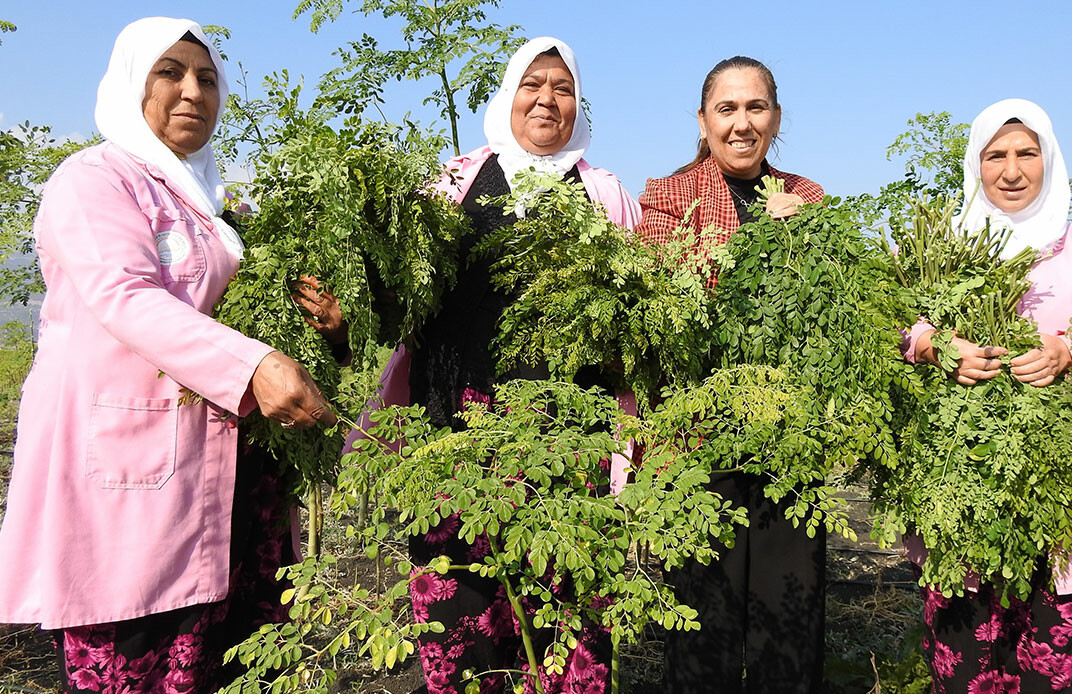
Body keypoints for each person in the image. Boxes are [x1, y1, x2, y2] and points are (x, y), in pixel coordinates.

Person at [0, 17, 341, 693]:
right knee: (136, 655)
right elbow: (124, 295)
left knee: (236, 664)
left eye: (207, 79)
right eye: (170, 73)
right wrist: (255, 364)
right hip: (132, 471)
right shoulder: (96, 180)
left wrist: (327, 328)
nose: (193, 92)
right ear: (131, 83)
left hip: (237, 479)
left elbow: (260, 317)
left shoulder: (219, 209)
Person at [362, 36, 638, 694]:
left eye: (563, 88)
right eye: (533, 85)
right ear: (508, 95)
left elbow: (633, 329)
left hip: (569, 458)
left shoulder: (604, 195)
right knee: (462, 637)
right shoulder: (450, 185)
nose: (548, 99)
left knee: (568, 631)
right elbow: (398, 298)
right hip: (450, 449)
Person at [903, 98, 1072, 693]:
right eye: (996, 155)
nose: (1012, 171)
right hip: (962, 493)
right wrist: (934, 343)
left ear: (1049, 160)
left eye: (1026, 153)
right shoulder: (944, 248)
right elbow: (894, 327)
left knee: (1064, 671)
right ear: (977, 165)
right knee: (968, 673)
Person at [634, 56, 826, 694]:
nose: (742, 123)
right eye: (727, 109)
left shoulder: (807, 199)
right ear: (702, 120)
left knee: (787, 629)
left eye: (756, 108)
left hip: (789, 447)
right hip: (697, 445)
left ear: (775, 117)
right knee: (703, 636)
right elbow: (666, 312)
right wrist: (761, 250)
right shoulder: (666, 198)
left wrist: (803, 244)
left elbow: (828, 316)